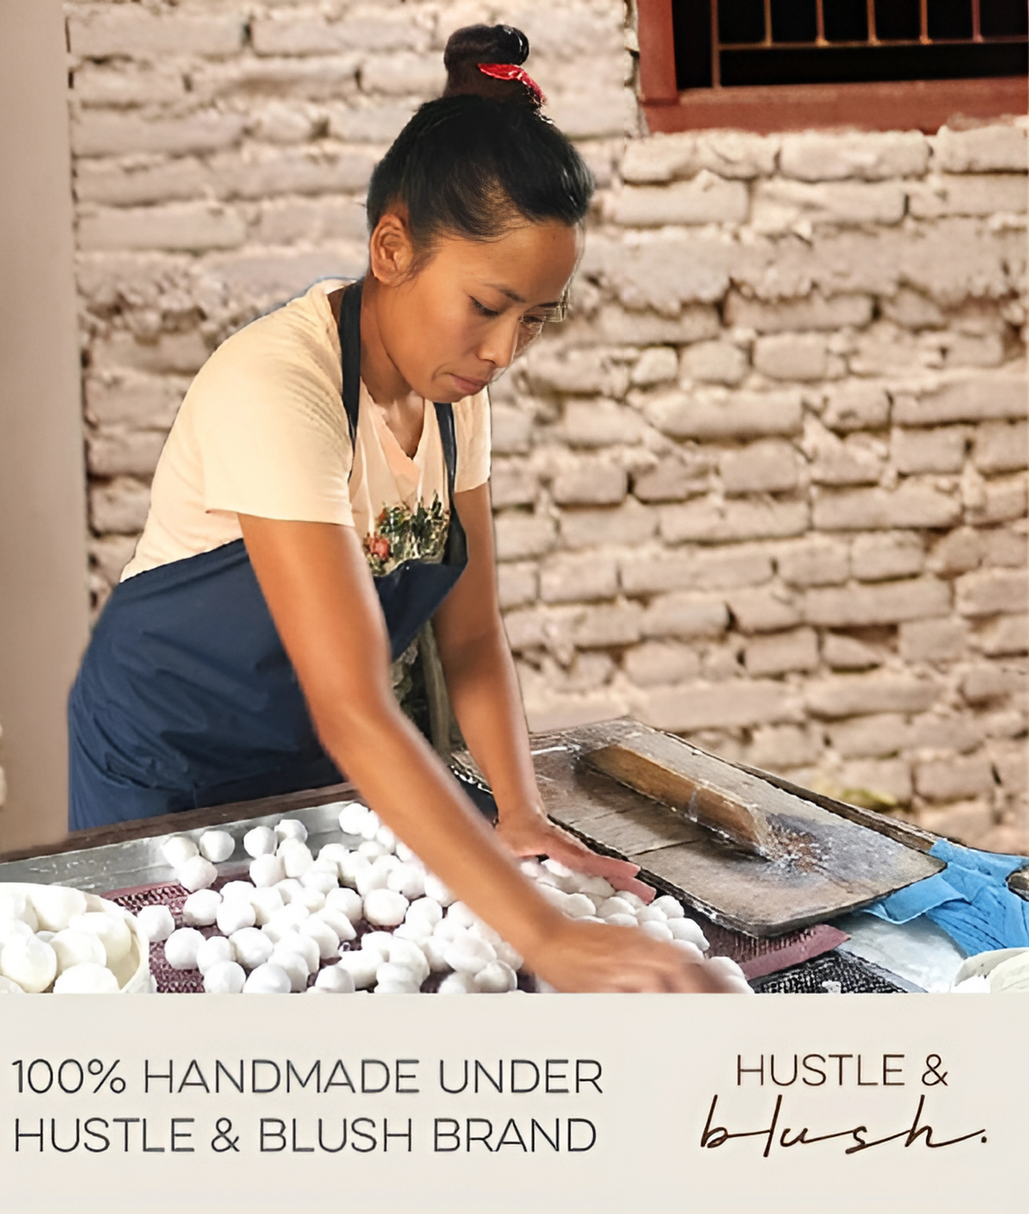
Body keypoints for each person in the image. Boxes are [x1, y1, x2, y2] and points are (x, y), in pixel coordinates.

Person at [69, 24, 726, 993]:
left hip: (304, 762)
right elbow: (353, 705)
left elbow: (472, 641)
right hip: (165, 762)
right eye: (487, 306)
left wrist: (519, 814)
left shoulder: (454, 402)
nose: (502, 352)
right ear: (390, 248)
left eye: (534, 320)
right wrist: (546, 936)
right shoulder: (277, 388)